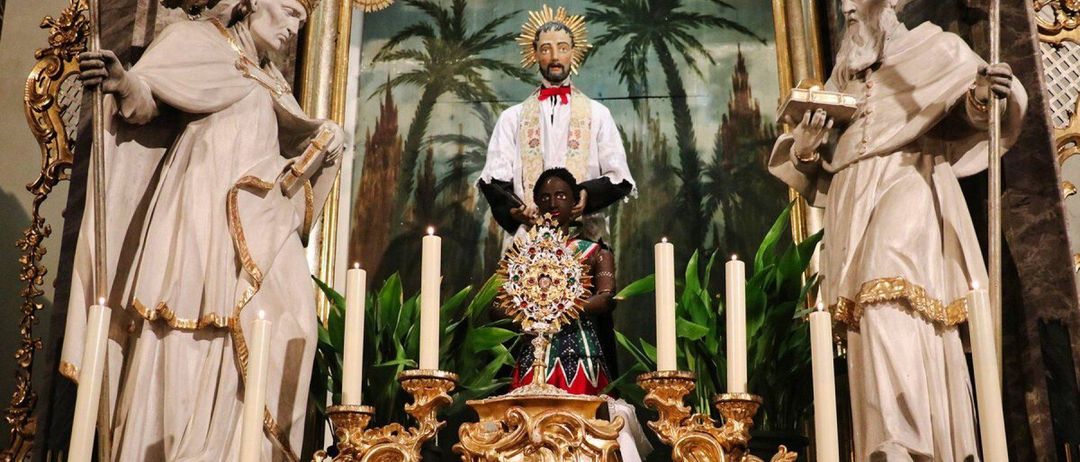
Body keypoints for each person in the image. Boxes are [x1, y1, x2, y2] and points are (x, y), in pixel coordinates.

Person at [66, 0, 342, 459]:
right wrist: (124, 83)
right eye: (292, 11)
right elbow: (147, 98)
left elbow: (291, 153)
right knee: (186, 330)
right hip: (199, 214)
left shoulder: (272, 78)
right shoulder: (196, 40)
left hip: (257, 225)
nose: (296, 26)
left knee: (284, 327)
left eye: (303, 19)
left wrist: (323, 147)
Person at [768, 0, 1027, 460]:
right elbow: (811, 161)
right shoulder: (843, 76)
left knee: (885, 290)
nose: (847, 6)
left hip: (908, 179)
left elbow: (983, 110)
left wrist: (983, 95)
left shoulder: (938, 48)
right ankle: (883, 441)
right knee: (866, 319)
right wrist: (806, 149)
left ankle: (904, 437)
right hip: (851, 198)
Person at [504, 168, 651, 461]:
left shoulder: (595, 252)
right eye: (544, 197)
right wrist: (526, 308)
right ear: (536, 203)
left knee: (587, 434)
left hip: (581, 356)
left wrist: (560, 305)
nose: (552, 202)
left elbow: (607, 299)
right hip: (533, 357)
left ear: (575, 203)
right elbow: (499, 303)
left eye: (561, 195)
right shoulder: (521, 253)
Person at [478, 6, 635, 243]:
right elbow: (494, 183)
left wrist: (585, 195)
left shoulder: (598, 114)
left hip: (585, 241)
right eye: (546, 49)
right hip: (528, 243)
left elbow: (619, 178)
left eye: (562, 48)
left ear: (573, 52)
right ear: (534, 54)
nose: (554, 57)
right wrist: (516, 211)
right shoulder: (513, 118)